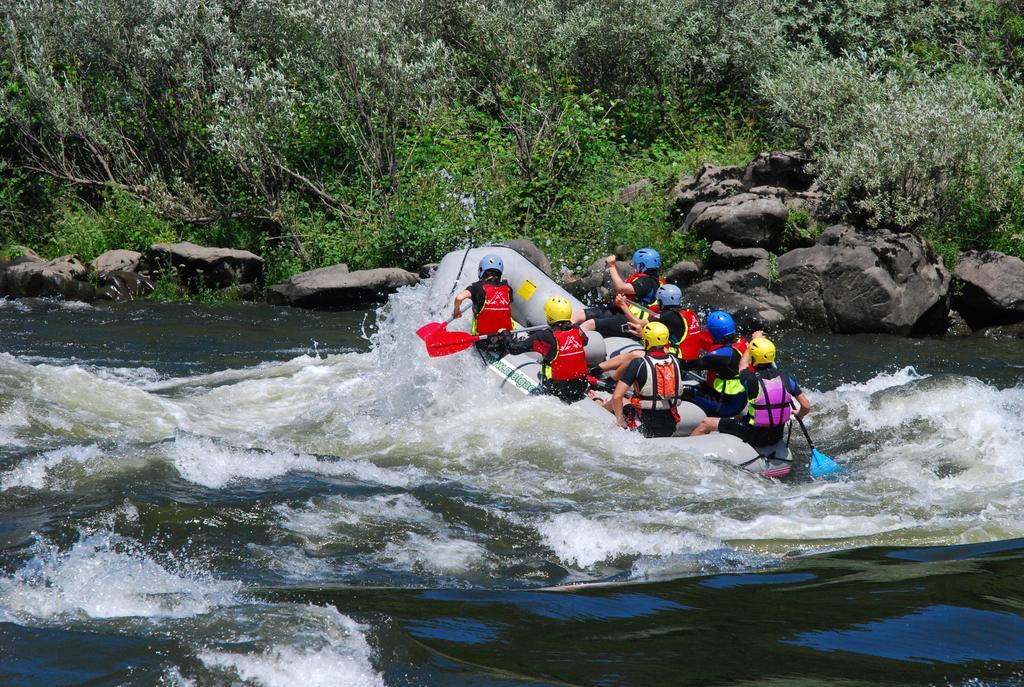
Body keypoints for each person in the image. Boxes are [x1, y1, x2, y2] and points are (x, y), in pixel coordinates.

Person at [691, 336, 811, 456]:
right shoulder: (786, 378)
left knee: (706, 423)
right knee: (741, 418)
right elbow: (806, 406)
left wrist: (752, 343)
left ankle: (689, 454)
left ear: (754, 357)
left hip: (754, 435)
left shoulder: (751, 379)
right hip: (776, 435)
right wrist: (798, 414)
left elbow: (742, 364)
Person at [503, 296, 590, 403]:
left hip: (557, 389)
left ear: (550, 316)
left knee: (547, 358)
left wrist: (505, 334)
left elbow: (513, 349)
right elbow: (585, 341)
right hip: (580, 387)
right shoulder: (576, 329)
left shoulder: (545, 336)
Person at [608, 321, 685, 438]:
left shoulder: (638, 363)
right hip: (670, 425)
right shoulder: (676, 361)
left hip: (644, 425)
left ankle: (597, 401)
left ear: (647, 342)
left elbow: (617, 396)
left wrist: (620, 420)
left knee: (621, 403)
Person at [571, 248, 664, 336]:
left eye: (636, 265)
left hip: (630, 321)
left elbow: (621, 287)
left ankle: (569, 344)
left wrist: (612, 266)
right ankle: (560, 333)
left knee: (590, 323)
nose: (634, 267)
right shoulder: (645, 279)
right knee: (580, 314)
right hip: (620, 312)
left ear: (642, 266)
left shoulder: (647, 282)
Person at [678, 310, 748, 417]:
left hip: (727, 405)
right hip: (737, 398)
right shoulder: (741, 343)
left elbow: (689, 365)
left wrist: (669, 359)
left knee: (685, 392)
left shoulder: (721, 355)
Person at [452, 255, 513, 351]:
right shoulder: (508, 289)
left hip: (482, 341)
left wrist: (456, 311)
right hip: (505, 339)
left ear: (481, 270)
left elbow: (459, 298)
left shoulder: (476, 287)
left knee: (477, 308)